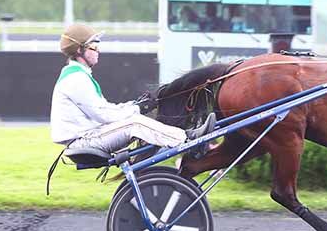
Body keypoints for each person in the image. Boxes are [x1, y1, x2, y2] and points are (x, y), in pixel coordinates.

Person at [50, 23, 215, 155]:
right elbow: (105, 115)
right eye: (94, 47)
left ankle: (184, 138)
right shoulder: (76, 79)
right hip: (83, 141)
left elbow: (106, 109)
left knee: (135, 120)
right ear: (79, 50)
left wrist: (135, 105)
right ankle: (188, 139)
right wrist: (137, 109)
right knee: (135, 123)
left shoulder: (79, 76)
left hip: (89, 136)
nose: (98, 51)